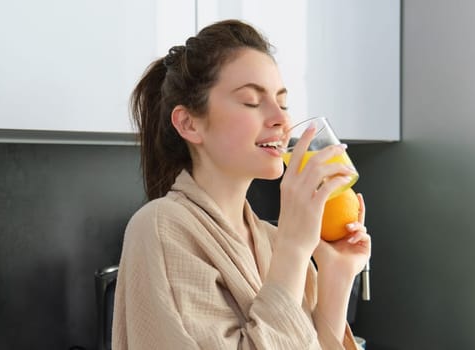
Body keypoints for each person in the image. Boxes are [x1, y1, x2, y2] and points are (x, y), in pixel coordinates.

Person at [112, 19, 371, 349]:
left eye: (283, 102)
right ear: (189, 123)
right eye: (251, 101)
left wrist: (336, 275)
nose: (281, 118)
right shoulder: (161, 227)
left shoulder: (273, 239)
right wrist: (294, 248)